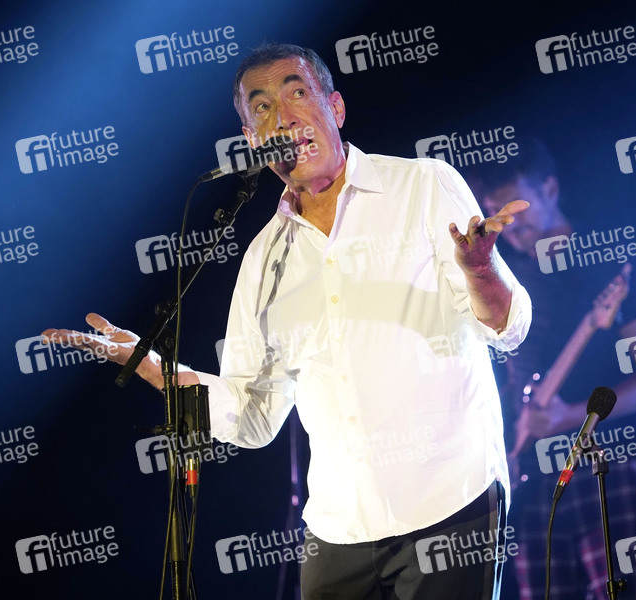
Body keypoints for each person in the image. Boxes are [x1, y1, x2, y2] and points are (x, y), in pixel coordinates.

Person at [42, 43, 532, 599]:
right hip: (338, 528)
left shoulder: (423, 186)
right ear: (253, 139)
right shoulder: (263, 259)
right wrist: (151, 366)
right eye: (263, 108)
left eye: (298, 93)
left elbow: (507, 329)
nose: (284, 117)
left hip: (449, 500)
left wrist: (481, 270)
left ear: (335, 107)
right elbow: (252, 416)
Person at [470, 137, 636, 600]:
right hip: (530, 474)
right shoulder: (504, 275)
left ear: (549, 189)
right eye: (496, 213)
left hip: (609, 463)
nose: (507, 223)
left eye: (516, 207)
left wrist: (571, 415)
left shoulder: (609, 261)